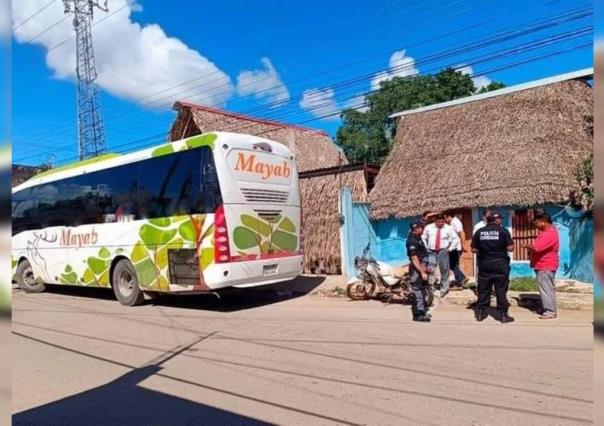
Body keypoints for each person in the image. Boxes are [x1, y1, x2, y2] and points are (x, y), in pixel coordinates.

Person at [471, 212, 515, 323]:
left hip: (485, 264)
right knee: (500, 290)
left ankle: (480, 313)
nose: (501, 221)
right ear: (496, 220)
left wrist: (485, 250)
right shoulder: (503, 231)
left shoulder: (479, 232)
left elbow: (474, 249)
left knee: (484, 290)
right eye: (500, 219)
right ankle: (503, 315)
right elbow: (510, 248)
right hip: (500, 264)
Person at [523, 212, 559, 319]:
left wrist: (527, 246)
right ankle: (546, 308)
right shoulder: (547, 232)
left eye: (537, 222)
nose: (536, 225)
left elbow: (538, 248)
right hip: (543, 265)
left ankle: (550, 311)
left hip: (545, 265)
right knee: (546, 288)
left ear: (543, 222)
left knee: (546, 288)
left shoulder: (549, 233)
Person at [422, 213, 459, 297]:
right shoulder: (429, 227)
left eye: (442, 221)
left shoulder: (448, 228)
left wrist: (450, 249)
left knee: (444, 269)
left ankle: (444, 289)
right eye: (439, 222)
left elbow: (455, 239)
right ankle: (431, 288)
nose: (441, 223)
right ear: (435, 221)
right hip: (431, 250)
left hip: (443, 250)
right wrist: (426, 247)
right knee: (431, 269)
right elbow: (423, 237)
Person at [406, 222, 431, 322]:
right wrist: (422, 272)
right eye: (421, 227)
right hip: (416, 269)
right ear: (416, 229)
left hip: (421, 267)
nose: (423, 229)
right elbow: (414, 258)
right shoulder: (412, 241)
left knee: (422, 290)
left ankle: (422, 311)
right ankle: (418, 314)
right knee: (417, 291)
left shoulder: (418, 238)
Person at [444, 210, 469, 289]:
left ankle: (460, 280)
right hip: (454, 247)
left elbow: (462, 233)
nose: (444, 220)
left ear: (448, 216)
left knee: (453, 264)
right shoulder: (452, 223)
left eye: (445, 218)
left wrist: (463, 245)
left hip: (456, 247)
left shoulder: (455, 222)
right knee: (453, 264)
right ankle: (461, 279)